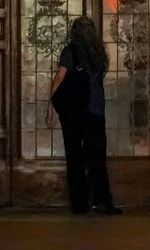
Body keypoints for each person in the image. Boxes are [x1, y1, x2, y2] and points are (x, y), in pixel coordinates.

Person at [50, 14, 121, 215]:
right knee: (97, 158)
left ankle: (79, 204)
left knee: (75, 157)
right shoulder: (98, 53)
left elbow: (58, 79)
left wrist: (50, 107)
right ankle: (101, 201)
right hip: (95, 112)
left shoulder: (70, 51)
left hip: (72, 113)